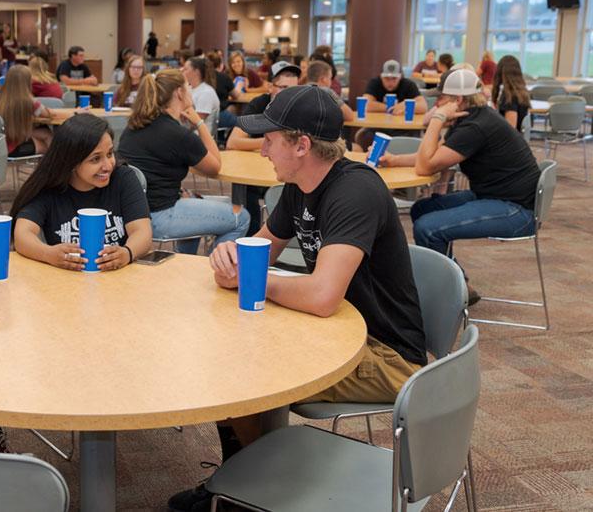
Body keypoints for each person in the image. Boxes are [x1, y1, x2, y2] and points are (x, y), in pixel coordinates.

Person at [168, 85, 427, 511]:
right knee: (230, 352)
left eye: (270, 139)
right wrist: (233, 256)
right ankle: (243, 481)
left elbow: (323, 296)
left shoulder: (354, 192)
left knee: (245, 373)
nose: (263, 149)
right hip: (338, 331)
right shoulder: (299, 184)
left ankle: (246, 489)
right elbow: (261, 248)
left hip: (387, 354)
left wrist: (252, 279)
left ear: (302, 144)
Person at [380, 69, 540, 259]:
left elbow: (424, 167)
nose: (437, 103)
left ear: (457, 100)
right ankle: (455, 279)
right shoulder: (473, 117)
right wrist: (394, 160)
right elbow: (432, 156)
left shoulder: (475, 127)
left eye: (441, 98)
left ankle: (449, 286)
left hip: (517, 209)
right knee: (422, 209)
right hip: (494, 196)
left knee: (428, 229)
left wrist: (437, 120)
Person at [116, 69, 249, 254]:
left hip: (132, 216)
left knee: (192, 200)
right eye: (188, 86)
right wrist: (200, 123)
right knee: (241, 217)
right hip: (159, 216)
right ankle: (215, 269)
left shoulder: (134, 126)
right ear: (179, 92)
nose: (191, 89)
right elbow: (215, 166)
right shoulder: (178, 135)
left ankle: (188, 264)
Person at [11, 114, 152, 270]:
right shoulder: (50, 187)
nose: (107, 166)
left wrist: (127, 253)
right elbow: (22, 235)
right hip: (65, 281)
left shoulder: (123, 179)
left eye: (110, 154)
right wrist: (48, 254)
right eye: (95, 159)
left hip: (119, 278)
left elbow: (142, 231)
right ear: (72, 162)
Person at [226, 60, 302, 235]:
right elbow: (233, 142)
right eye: (283, 88)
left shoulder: (302, 106)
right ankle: (251, 239)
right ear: (270, 87)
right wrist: (274, 143)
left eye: (294, 89)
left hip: (295, 173)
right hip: (261, 172)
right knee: (245, 187)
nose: (289, 94)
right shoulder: (260, 104)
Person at [0, 64, 55, 157]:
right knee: (47, 142)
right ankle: (53, 166)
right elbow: (46, 114)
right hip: (13, 147)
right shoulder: (28, 101)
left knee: (45, 132)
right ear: (28, 81)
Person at [490, 55, 531, 132]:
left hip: (510, 141)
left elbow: (510, 129)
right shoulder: (521, 93)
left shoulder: (509, 96)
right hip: (519, 139)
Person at [205, 52, 240, 129]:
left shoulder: (201, 77)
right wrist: (239, 87)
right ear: (220, 65)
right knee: (242, 124)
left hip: (203, 116)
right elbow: (236, 95)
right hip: (219, 115)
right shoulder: (224, 77)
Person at [182, 57, 221, 125]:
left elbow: (195, 123)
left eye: (185, 69)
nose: (182, 71)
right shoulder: (190, 89)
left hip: (198, 134)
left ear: (196, 72)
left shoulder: (206, 92)